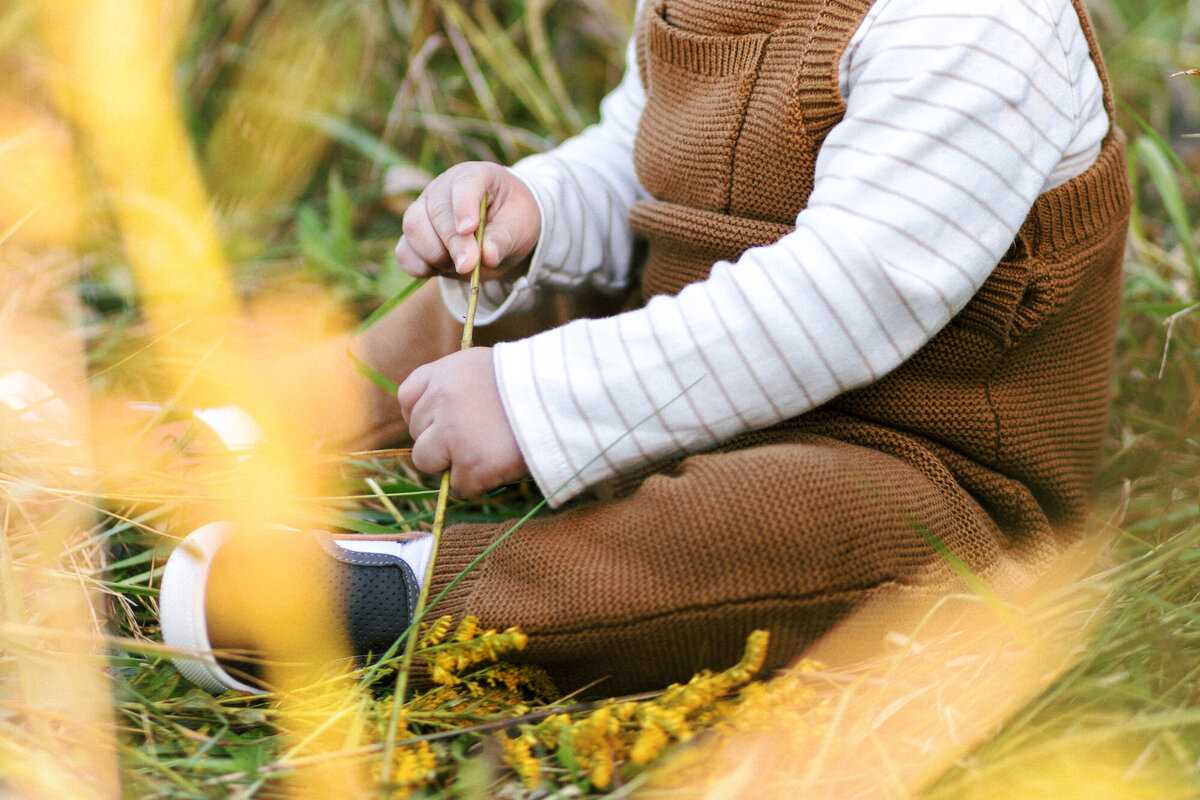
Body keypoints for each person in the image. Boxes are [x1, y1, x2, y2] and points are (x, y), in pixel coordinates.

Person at [160, 0, 1131, 696]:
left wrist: (539, 402)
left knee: (765, 534)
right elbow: (641, 154)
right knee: (512, 281)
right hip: (696, 339)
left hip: (911, 457)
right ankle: (271, 420)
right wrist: (540, 205)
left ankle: (405, 595)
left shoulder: (977, 25)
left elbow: (844, 295)